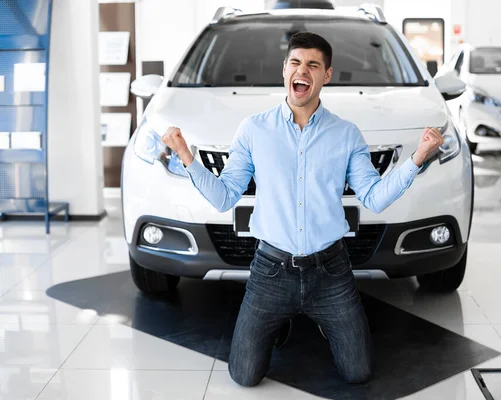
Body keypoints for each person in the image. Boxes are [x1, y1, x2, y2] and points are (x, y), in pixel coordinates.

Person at [161, 31, 444, 387]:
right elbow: (224, 197)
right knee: (244, 376)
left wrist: (417, 158)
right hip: (270, 271)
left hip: (331, 272)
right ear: (284, 70)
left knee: (358, 373)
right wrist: (186, 155)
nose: (303, 70)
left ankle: (326, 320)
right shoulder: (254, 129)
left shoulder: (346, 134)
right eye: (296, 62)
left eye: (313, 64)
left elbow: (373, 196)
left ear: (327, 75)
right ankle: (280, 320)